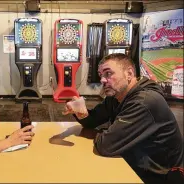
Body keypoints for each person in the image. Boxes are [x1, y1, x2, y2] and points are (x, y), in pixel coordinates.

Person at [63, 53, 183, 184]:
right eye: (101, 75)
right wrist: (82, 112)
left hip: (159, 176)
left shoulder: (144, 101)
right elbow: (93, 121)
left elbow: (106, 145)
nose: (102, 80)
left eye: (108, 74)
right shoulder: (116, 97)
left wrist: (109, 133)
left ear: (129, 74)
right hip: (135, 162)